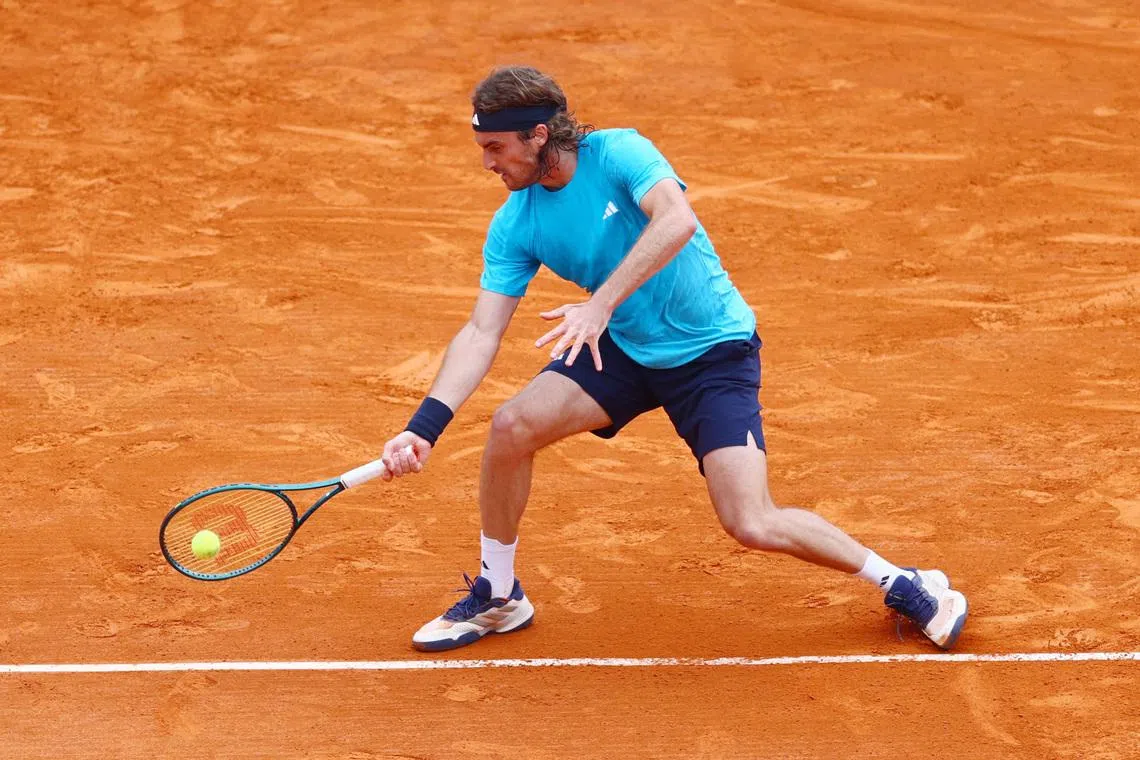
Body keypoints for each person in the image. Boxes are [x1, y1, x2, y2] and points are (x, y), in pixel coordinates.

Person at [379, 65, 968, 653]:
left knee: (750, 521)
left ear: (538, 135)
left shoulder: (617, 152)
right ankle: (500, 593)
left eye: (495, 147)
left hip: (712, 353)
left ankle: (905, 582)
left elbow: (677, 219)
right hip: (625, 348)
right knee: (512, 427)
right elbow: (482, 331)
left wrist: (601, 303)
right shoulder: (517, 223)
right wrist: (423, 427)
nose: (487, 163)